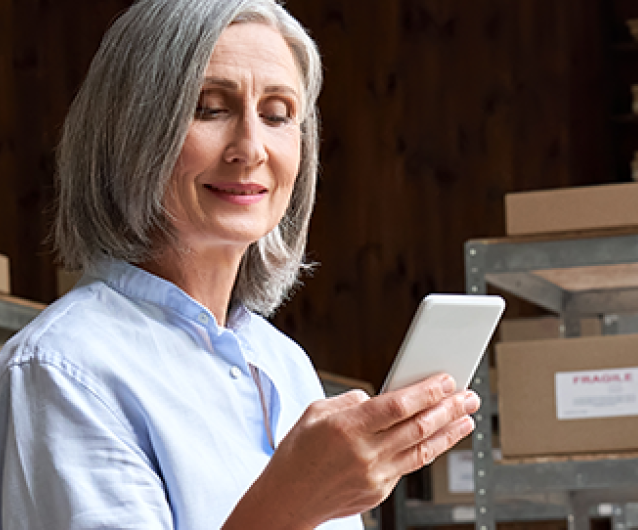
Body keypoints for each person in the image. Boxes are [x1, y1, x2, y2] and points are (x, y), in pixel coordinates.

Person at [0, 0, 480, 528]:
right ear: (130, 130)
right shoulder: (61, 368)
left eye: (277, 115)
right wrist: (292, 501)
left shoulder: (286, 364)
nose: (251, 148)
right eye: (210, 107)